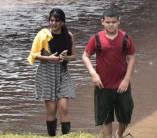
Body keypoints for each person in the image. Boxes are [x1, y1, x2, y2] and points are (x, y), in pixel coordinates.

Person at [82, 7, 136, 138]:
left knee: (125, 115)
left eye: (113, 22)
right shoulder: (96, 38)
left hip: (122, 85)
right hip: (103, 85)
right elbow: (85, 55)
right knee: (106, 118)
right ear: (102, 22)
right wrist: (93, 74)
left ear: (118, 22)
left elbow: (132, 56)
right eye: (108, 22)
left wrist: (127, 79)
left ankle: (119, 134)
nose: (111, 25)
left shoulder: (125, 38)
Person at [27, 8, 76, 136]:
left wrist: (66, 57)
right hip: (46, 74)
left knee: (64, 108)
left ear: (62, 22)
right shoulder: (43, 35)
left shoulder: (68, 36)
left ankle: (66, 136)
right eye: (51, 20)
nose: (53, 23)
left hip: (62, 73)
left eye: (57, 21)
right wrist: (49, 58)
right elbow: (33, 55)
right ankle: (52, 136)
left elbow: (74, 56)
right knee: (51, 110)